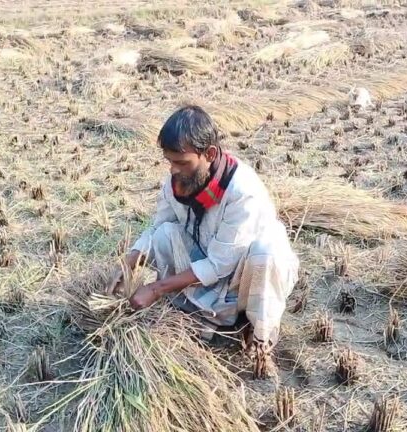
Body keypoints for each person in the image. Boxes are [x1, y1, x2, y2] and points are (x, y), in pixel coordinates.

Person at [109, 105, 299, 353]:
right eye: (169, 161)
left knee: (266, 252)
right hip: (207, 264)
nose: (173, 170)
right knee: (164, 234)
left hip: (244, 275)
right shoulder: (176, 183)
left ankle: (261, 331)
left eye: (181, 162)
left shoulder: (242, 192)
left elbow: (220, 264)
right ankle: (200, 314)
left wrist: (156, 288)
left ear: (209, 154)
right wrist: (128, 263)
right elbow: (157, 227)